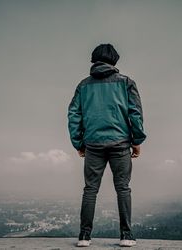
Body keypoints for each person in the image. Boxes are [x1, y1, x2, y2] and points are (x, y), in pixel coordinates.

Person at [67, 44, 147, 247]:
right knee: (123, 189)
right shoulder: (126, 82)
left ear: (94, 60)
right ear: (114, 60)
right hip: (120, 143)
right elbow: (135, 114)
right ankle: (126, 236)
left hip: (92, 144)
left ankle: (84, 237)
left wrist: (78, 143)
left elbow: (74, 115)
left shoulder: (83, 85)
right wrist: (136, 141)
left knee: (90, 190)